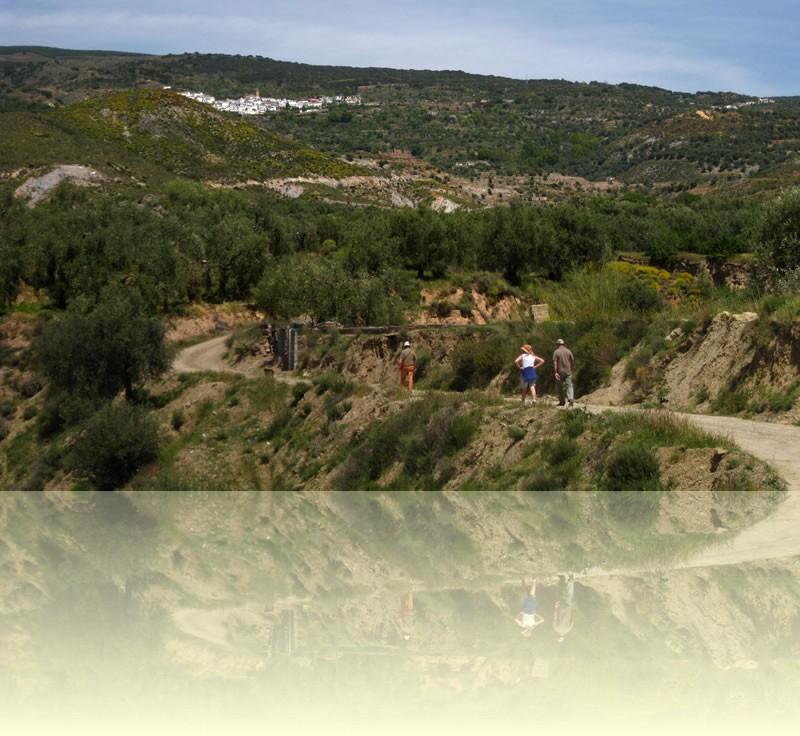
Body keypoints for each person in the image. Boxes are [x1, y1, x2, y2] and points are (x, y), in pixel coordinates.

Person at [552, 338, 576, 408]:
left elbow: (555, 362)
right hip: (568, 371)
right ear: (563, 344)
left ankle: (562, 402)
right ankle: (571, 399)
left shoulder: (556, 352)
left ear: (557, 344)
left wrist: (555, 372)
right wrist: (572, 368)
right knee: (570, 385)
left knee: (560, 387)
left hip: (560, 372)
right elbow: (572, 361)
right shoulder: (568, 351)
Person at [553, 573, 575, 642]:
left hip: (568, 608)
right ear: (557, 635)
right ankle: (562, 579)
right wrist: (555, 608)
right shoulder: (556, 628)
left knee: (569, 595)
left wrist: (572, 610)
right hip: (560, 608)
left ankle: (570, 581)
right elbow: (555, 617)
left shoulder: (569, 629)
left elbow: (573, 619)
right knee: (560, 593)